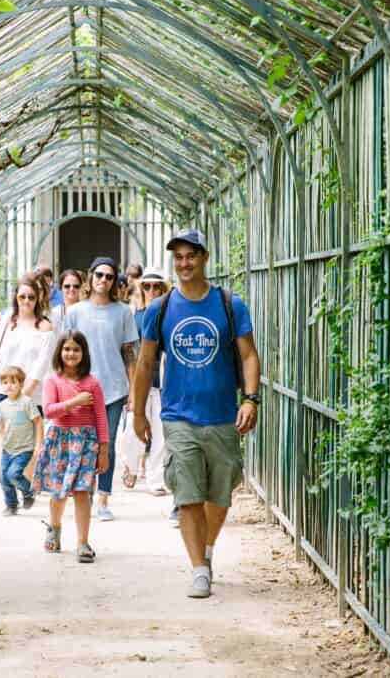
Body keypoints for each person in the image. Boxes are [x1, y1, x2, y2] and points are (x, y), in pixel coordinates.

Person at [132, 229, 261, 599]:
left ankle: (206, 547)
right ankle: (199, 569)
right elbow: (144, 365)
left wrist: (250, 399)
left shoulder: (228, 304)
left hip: (222, 415)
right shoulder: (160, 309)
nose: (184, 263)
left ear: (204, 257)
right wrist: (139, 413)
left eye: (191, 256)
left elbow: (249, 355)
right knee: (187, 494)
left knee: (219, 495)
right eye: (178, 257)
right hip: (178, 416)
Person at [62, 256, 139, 521]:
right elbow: (65, 352)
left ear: (114, 281)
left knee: (107, 444)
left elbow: (130, 354)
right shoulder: (75, 312)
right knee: (84, 443)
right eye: (99, 275)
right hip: (81, 388)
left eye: (109, 277)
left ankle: (104, 498)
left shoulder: (123, 312)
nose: (103, 280)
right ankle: (87, 492)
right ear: (90, 277)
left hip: (114, 388)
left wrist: (133, 391)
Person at [32, 332, 109, 563]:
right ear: (59, 352)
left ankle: (83, 542)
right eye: (67, 349)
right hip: (60, 440)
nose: (71, 353)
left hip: (86, 442)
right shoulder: (52, 381)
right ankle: (54, 527)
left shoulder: (92, 383)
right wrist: (75, 402)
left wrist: (103, 450)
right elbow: (48, 411)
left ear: (84, 353)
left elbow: (101, 418)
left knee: (82, 491)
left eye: (76, 349)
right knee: (59, 490)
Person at [119, 268, 171, 495]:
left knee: (161, 433)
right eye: (147, 286)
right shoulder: (135, 316)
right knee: (132, 430)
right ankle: (130, 466)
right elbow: (129, 351)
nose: (152, 290)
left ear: (163, 289)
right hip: (139, 381)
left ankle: (155, 479)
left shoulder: (170, 314)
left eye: (156, 286)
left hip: (163, 382)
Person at [0, 275, 54, 415]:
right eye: (22, 297)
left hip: (31, 398)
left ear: (38, 299)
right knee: (3, 435)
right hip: (1, 391)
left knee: (26, 437)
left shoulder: (45, 327)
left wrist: (23, 396)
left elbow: (42, 366)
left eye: (31, 297)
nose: (26, 301)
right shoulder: (7, 321)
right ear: (16, 298)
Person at [0, 366, 43, 516]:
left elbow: (38, 422)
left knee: (13, 474)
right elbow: (0, 427)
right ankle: (11, 505)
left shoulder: (26, 402)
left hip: (24, 448)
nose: (9, 385)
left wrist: (38, 444)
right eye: (5, 382)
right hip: (8, 448)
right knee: (3, 479)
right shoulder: (2, 405)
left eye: (13, 382)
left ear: (21, 384)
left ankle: (28, 491)